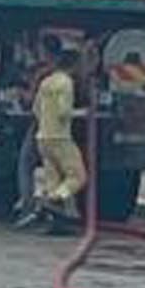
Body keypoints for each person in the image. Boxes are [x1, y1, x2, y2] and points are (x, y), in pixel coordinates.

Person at [18, 38, 90, 236]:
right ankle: (51, 200)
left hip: (42, 137)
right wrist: (83, 113)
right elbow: (64, 112)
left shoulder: (45, 80)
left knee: (53, 178)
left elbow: (36, 109)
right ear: (73, 66)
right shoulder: (66, 83)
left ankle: (55, 220)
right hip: (61, 138)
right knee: (77, 177)